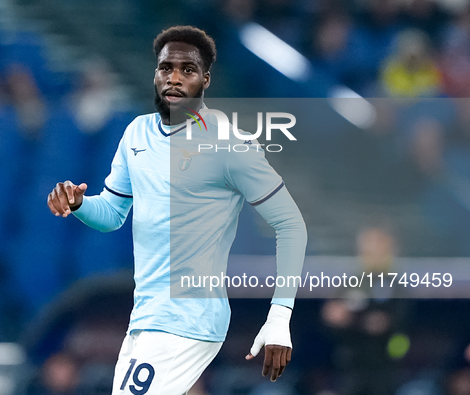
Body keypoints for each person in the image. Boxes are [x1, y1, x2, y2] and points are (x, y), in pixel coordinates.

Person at [47, 25, 307, 394]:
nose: (174, 78)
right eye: (166, 68)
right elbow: (113, 214)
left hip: (188, 319)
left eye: (187, 70)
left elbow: (292, 225)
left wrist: (280, 318)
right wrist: (79, 204)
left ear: (205, 79)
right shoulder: (136, 134)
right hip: (146, 317)